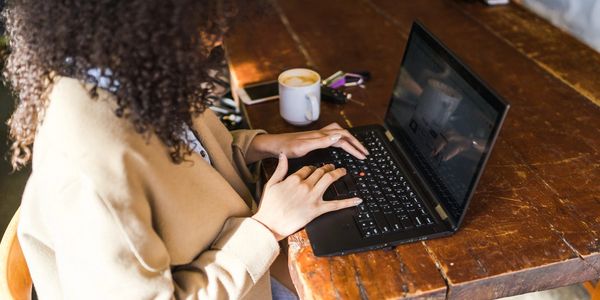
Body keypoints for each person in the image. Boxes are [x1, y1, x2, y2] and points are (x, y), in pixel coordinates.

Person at [2, 1, 368, 299]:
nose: (218, 37)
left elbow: (192, 165)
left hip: (237, 262)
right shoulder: (92, 167)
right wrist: (266, 228)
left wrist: (262, 144)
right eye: (203, 17)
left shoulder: (142, 74)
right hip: (239, 272)